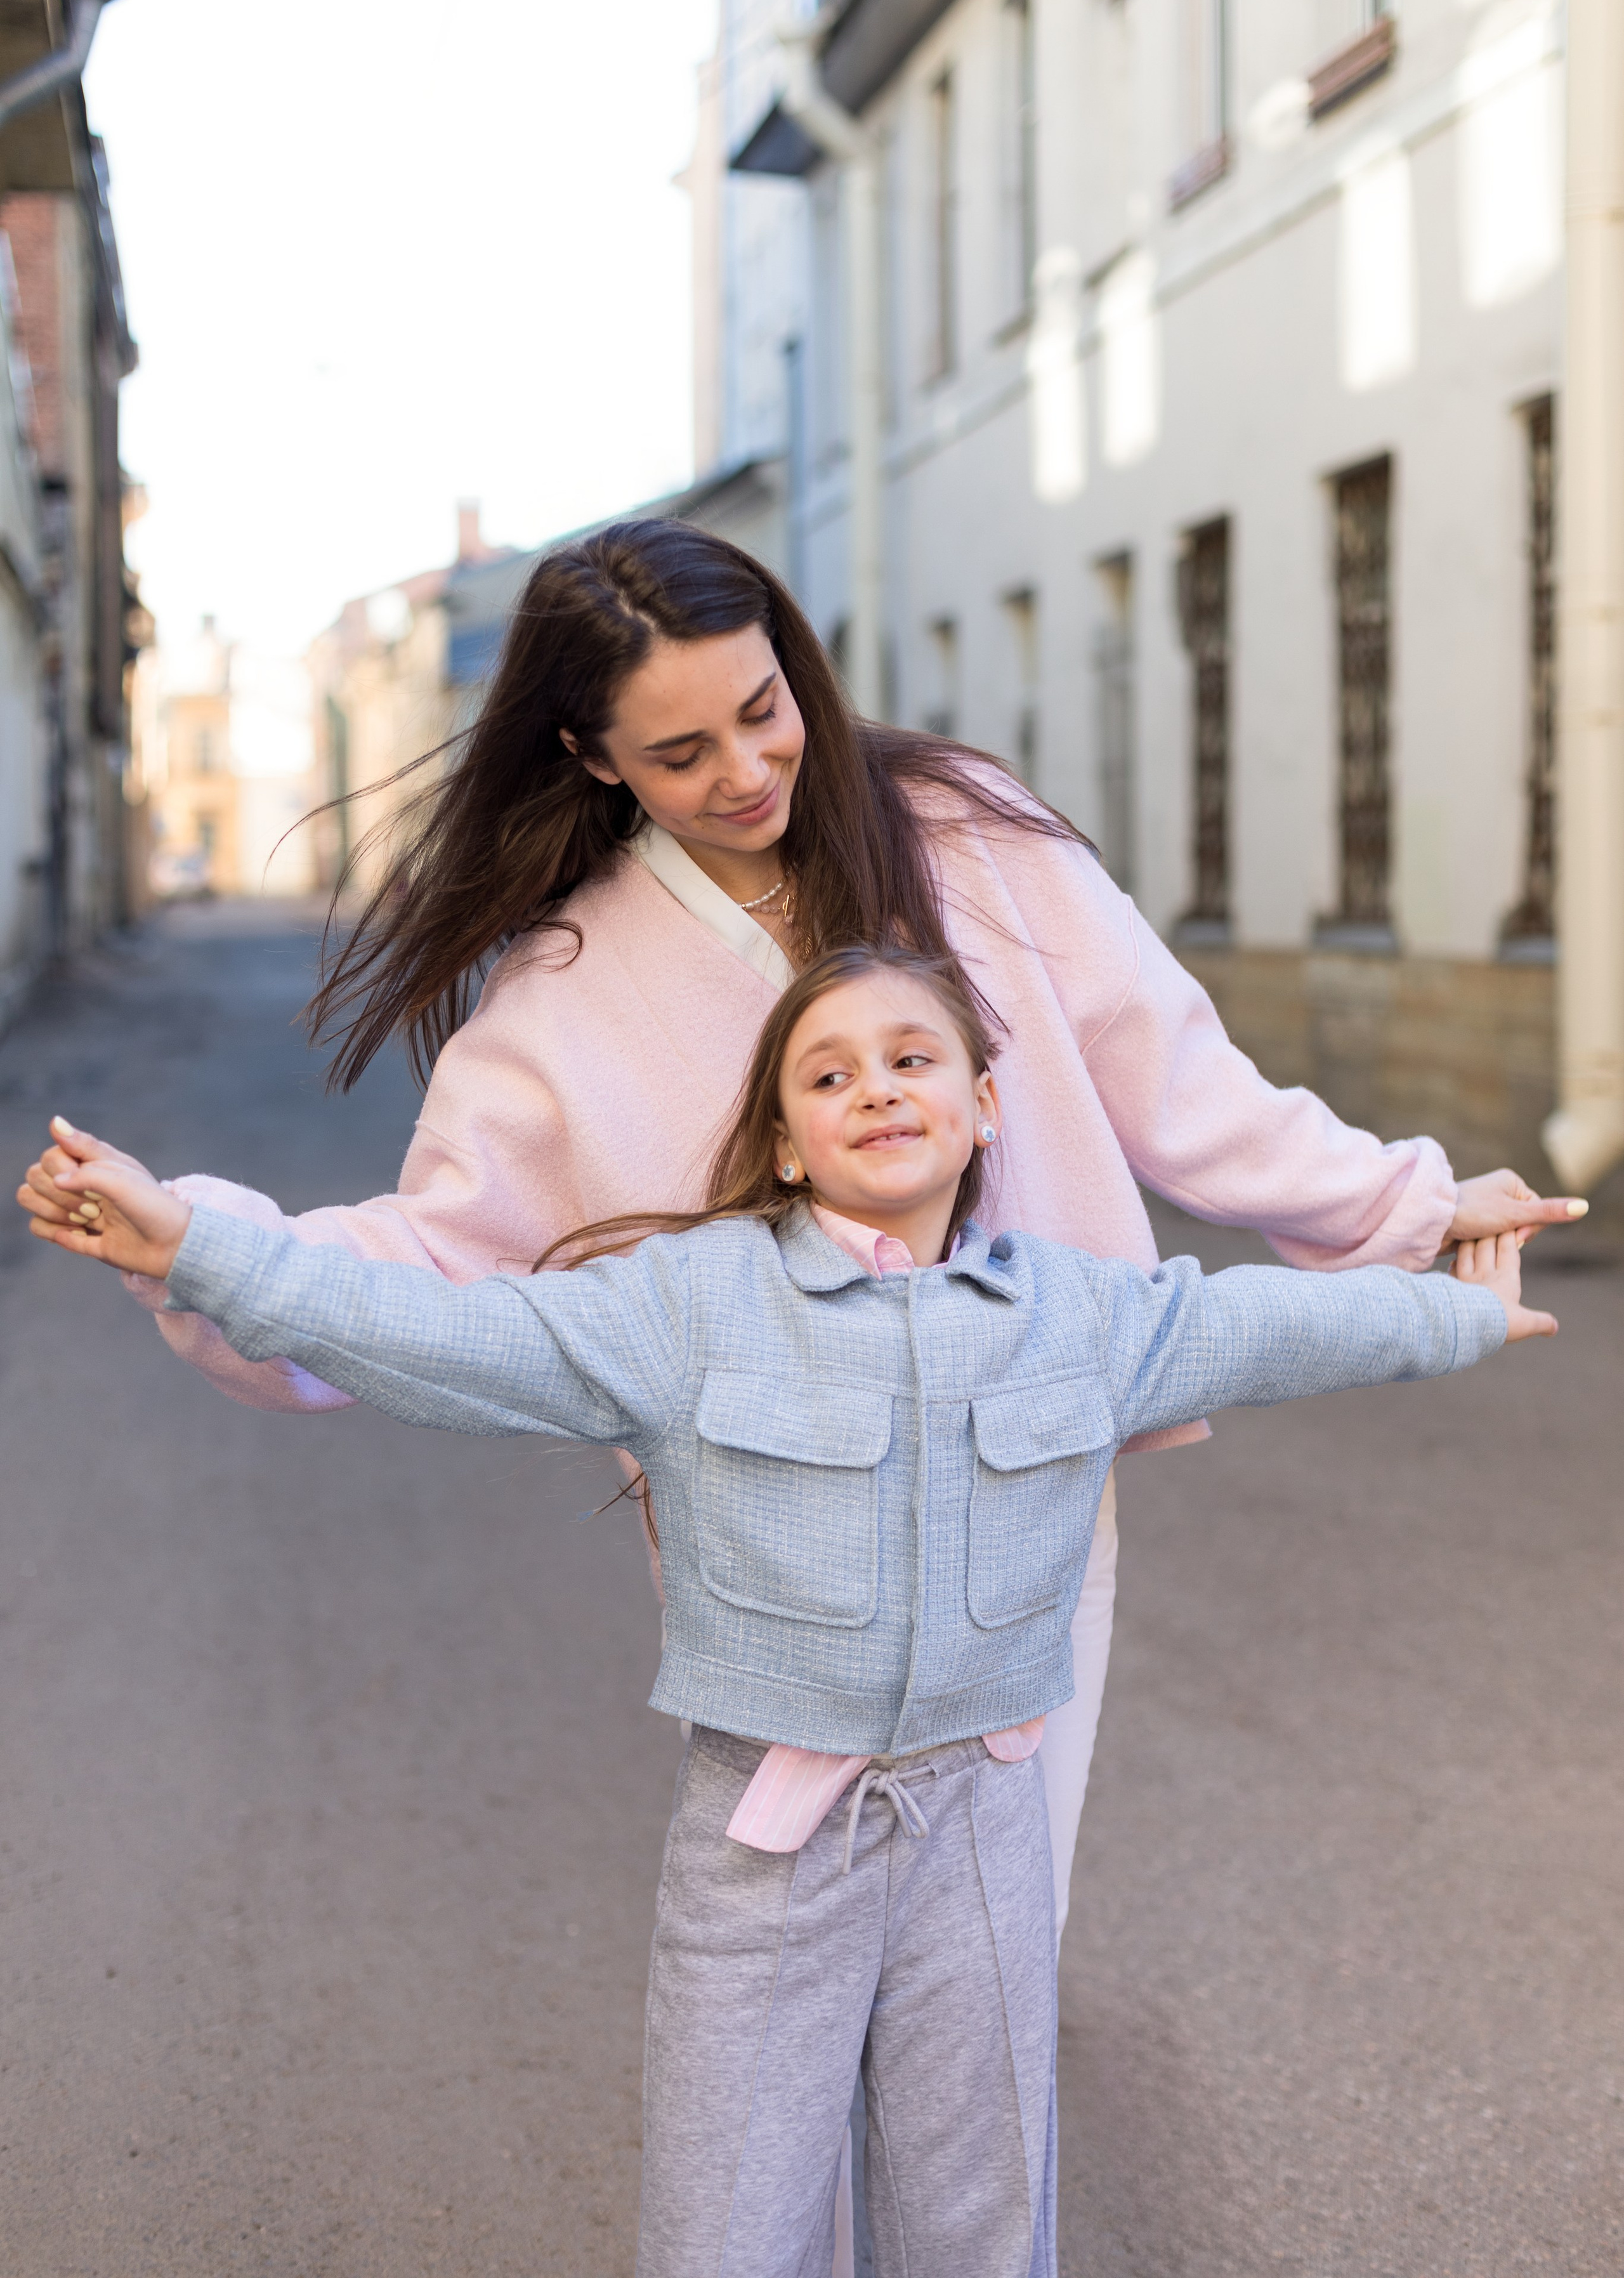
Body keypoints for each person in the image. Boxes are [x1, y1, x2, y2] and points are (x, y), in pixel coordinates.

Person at [18, 521, 1581, 2267]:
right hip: (775, 1552)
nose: (748, 772)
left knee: (973, 2028)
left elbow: (1184, 1078)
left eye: (764, 711)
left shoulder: (970, 835)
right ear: (590, 756)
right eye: (681, 751)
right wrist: (199, 1246)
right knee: (771, 2071)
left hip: (1025, 1508)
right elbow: (432, 1270)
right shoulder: (564, 991)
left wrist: (1409, 1213)